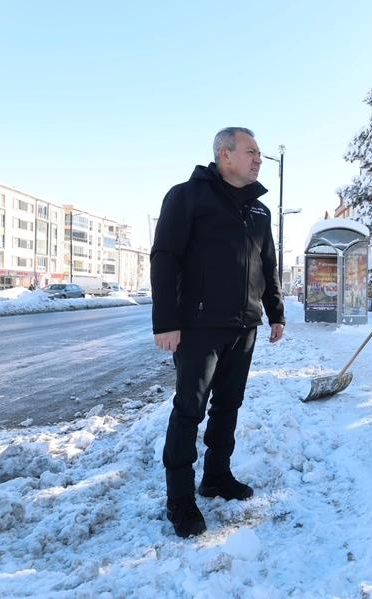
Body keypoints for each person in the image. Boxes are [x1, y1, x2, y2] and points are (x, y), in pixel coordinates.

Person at [151, 127, 285, 538]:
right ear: (225, 155)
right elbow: (165, 257)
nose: (258, 159)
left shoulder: (259, 211)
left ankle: (216, 476)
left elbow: (268, 264)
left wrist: (275, 312)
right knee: (189, 410)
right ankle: (179, 498)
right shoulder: (187, 196)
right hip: (198, 326)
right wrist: (166, 321)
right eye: (251, 151)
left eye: (259, 153)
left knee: (229, 406)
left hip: (244, 325)